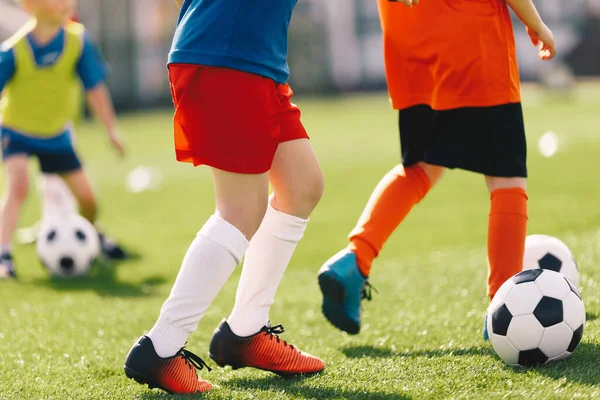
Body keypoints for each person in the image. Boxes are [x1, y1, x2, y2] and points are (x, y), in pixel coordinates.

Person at [317, 0, 556, 340]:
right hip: (472, 40)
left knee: (421, 167)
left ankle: (356, 260)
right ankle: (504, 314)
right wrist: (536, 23)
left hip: (409, 46)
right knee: (507, 175)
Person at [123, 0, 326, 394]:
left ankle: (245, 332)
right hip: (227, 56)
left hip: (252, 58)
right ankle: (161, 347)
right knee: (241, 209)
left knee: (301, 185)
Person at [0, 0, 126, 279]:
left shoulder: (78, 41)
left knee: (88, 200)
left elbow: (94, 88)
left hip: (56, 134)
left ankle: (90, 237)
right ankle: (4, 255)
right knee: (18, 185)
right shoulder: (13, 50)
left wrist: (111, 129)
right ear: (31, 7)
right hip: (16, 130)